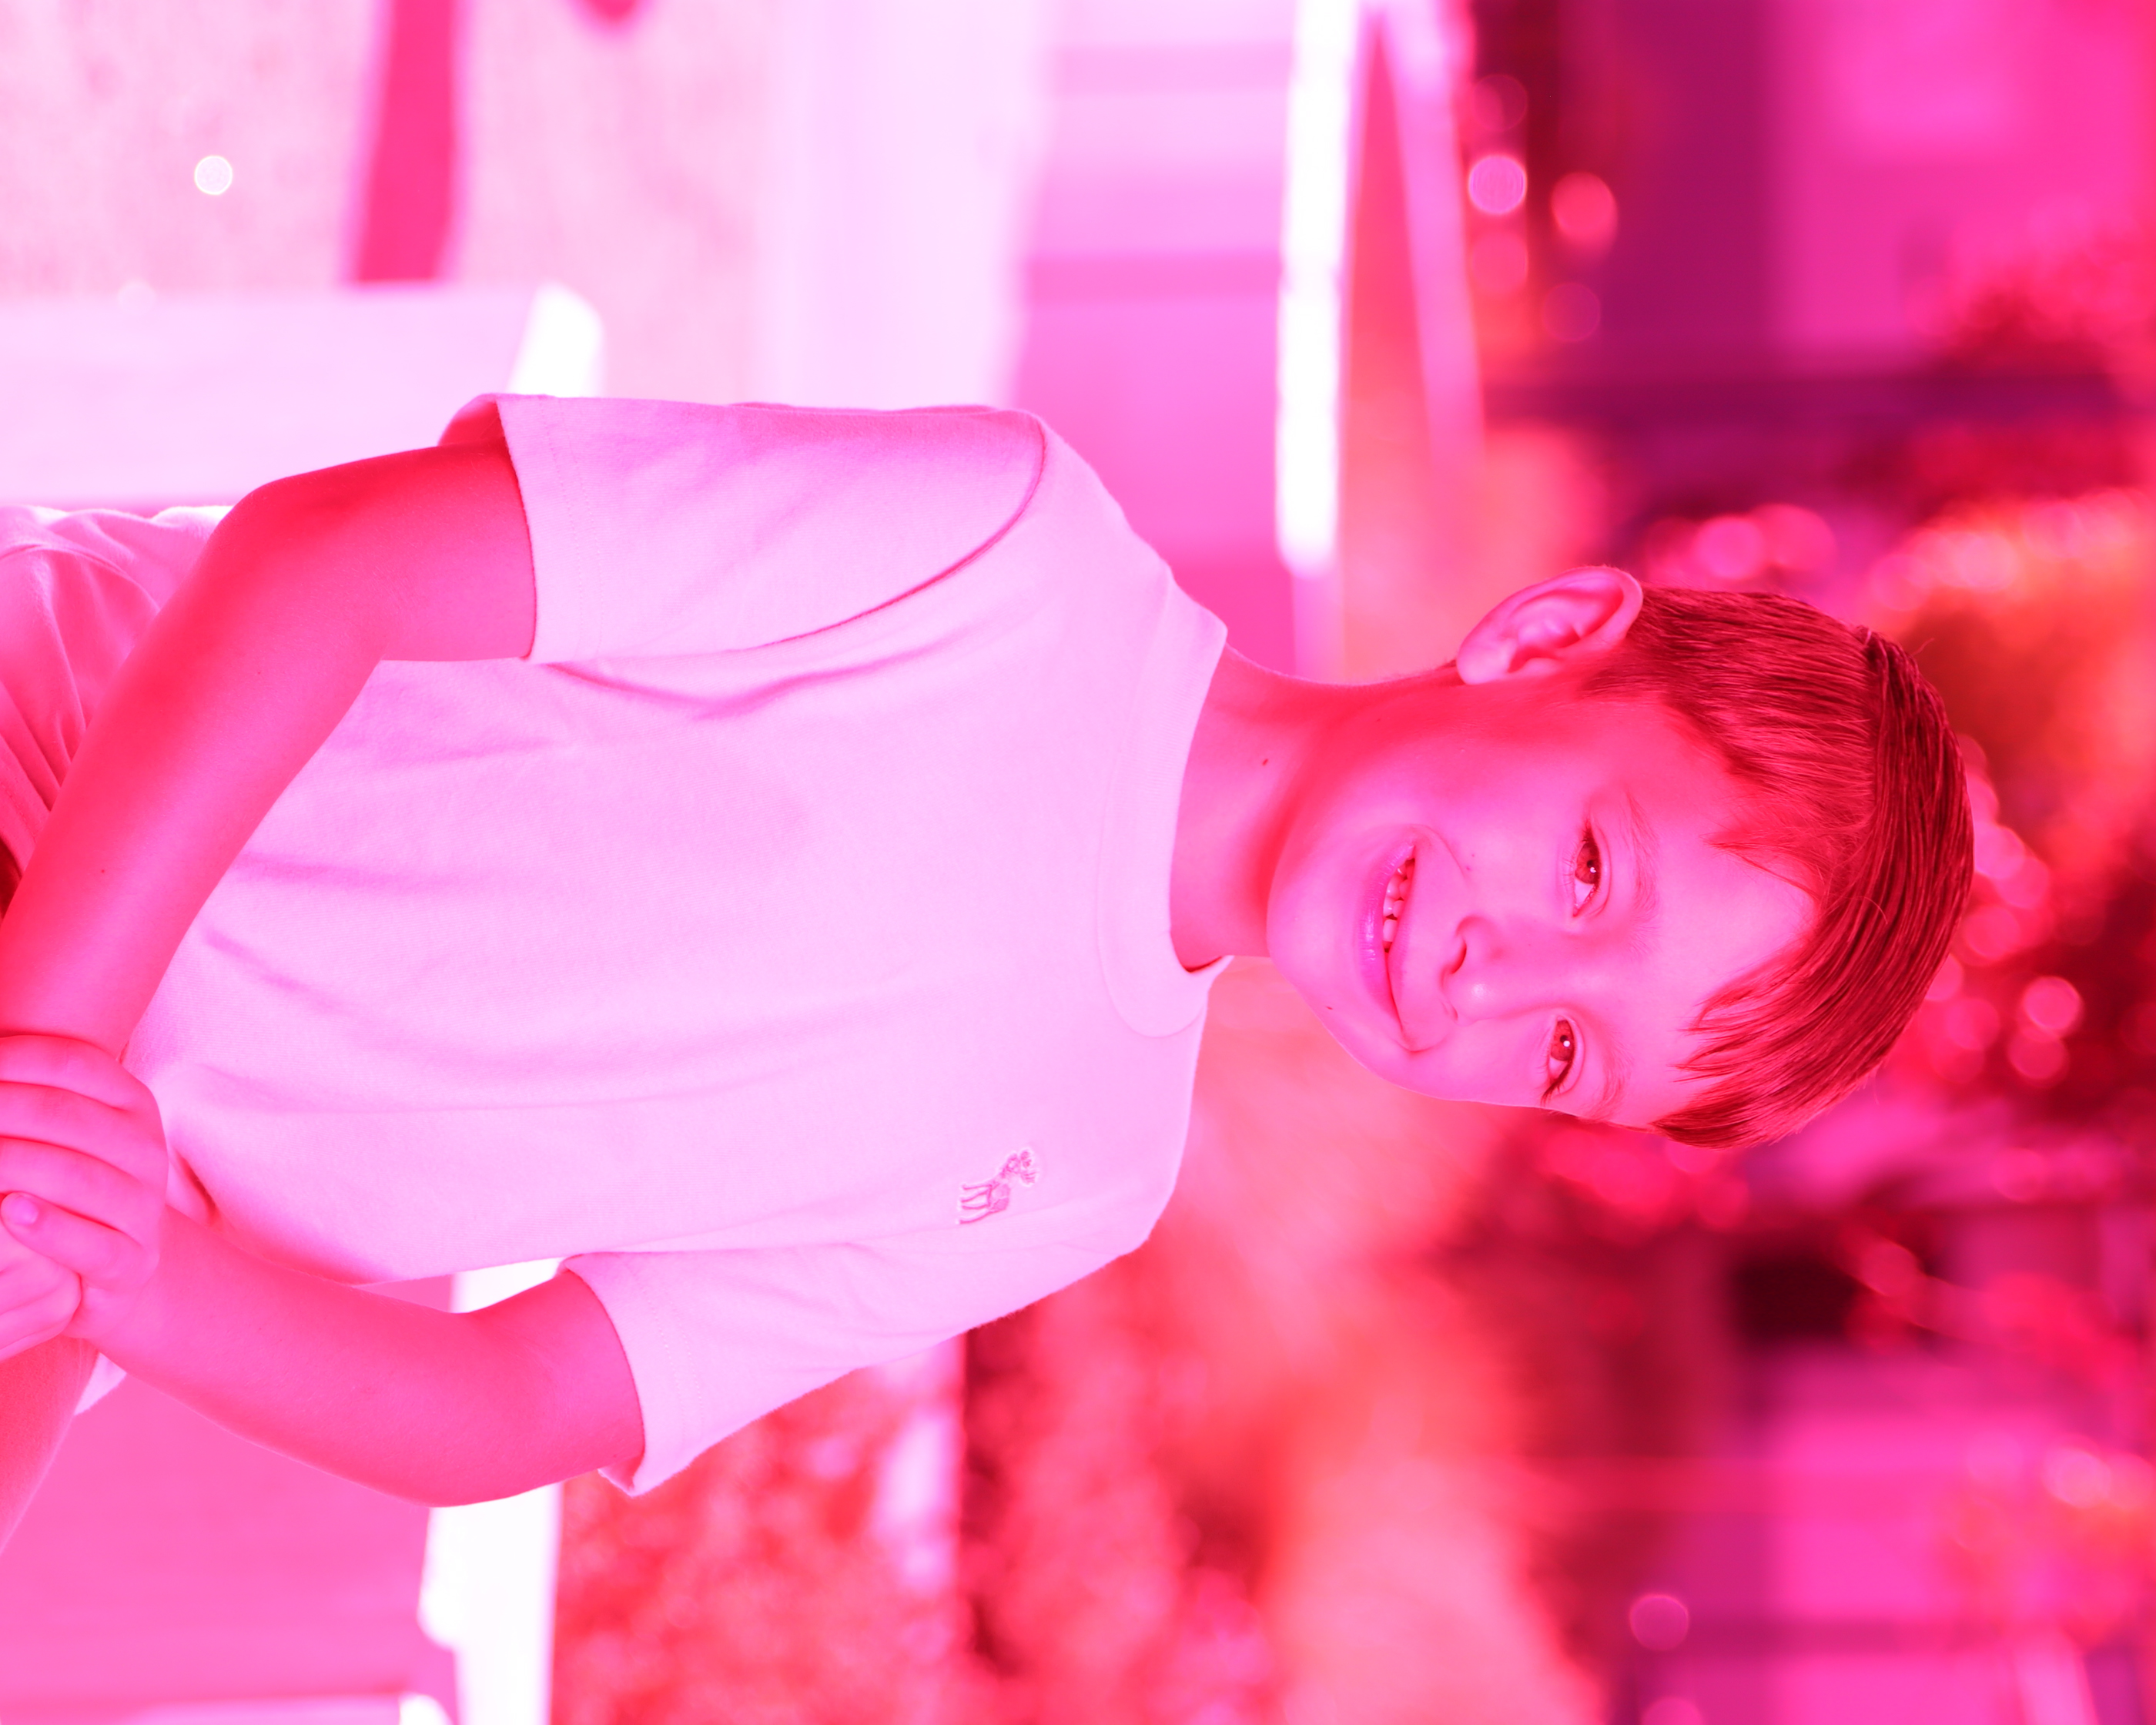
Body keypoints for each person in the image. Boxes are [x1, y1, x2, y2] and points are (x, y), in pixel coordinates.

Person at [0, 396, 1972, 1540]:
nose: (1494, 973)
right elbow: (325, 562)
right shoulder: (1002, 554)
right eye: (1588, 869)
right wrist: (48, 1075)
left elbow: (511, 1404)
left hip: (77, 1214)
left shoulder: (1079, 1177)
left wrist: (122, 1268)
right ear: (1543, 639)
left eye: (1559, 1053)